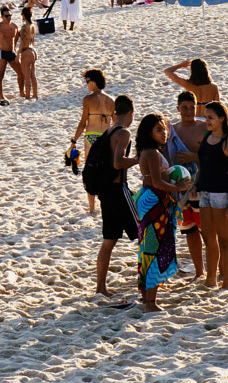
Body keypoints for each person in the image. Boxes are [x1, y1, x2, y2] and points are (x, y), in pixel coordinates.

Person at [85, 95, 138, 297]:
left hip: (105, 192)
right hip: (118, 190)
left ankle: (101, 288)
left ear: (115, 113)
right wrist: (137, 159)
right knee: (144, 234)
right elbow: (118, 163)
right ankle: (147, 282)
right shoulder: (123, 133)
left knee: (109, 241)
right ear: (131, 113)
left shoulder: (108, 131)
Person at [131, 114, 184, 312]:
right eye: (159, 130)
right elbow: (156, 182)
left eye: (164, 129)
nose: (164, 133)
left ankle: (147, 298)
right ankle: (151, 303)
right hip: (155, 201)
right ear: (149, 133)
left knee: (148, 247)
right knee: (155, 248)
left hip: (149, 199)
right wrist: (179, 187)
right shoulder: (152, 153)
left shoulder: (147, 151)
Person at [194, 101, 228, 290]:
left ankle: (227, 283)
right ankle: (211, 278)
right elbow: (202, 165)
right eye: (206, 117)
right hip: (204, 192)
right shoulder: (207, 137)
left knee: (224, 239)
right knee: (208, 238)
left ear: (222, 118)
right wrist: (196, 185)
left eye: (211, 118)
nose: (207, 121)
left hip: (222, 193)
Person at [167, 92, 209, 280]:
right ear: (178, 108)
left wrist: (194, 157)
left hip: (202, 185)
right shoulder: (172, 131)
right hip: (181, 189)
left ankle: (217, 270)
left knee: (207, 231)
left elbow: (215, 156)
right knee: (190, 230)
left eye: (192, 107)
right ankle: (200, 271)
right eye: (184, 107)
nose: (189, 111)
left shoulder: (204, 126)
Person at [70, 70, 119, 210]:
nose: (86, 84)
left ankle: (92, 208)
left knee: (90, 172)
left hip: (91, 137)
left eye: (87, 81)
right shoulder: (111, 100)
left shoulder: (88, 99)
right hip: (106, 138)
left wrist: (74, 140)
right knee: (105, 170)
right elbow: (115, 123)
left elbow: (82, 123)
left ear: (93, 81)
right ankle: (105, 203)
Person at [16, 19, 41, 100]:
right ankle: (35, 94)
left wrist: (18, 54)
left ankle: (27, 96)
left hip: (25, 51)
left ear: (23, 16)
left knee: (26, 76)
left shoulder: (24, 27)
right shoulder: (33, 25)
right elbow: (32, 40)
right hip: (32, 50)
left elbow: (22, 42)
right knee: (33, 75)